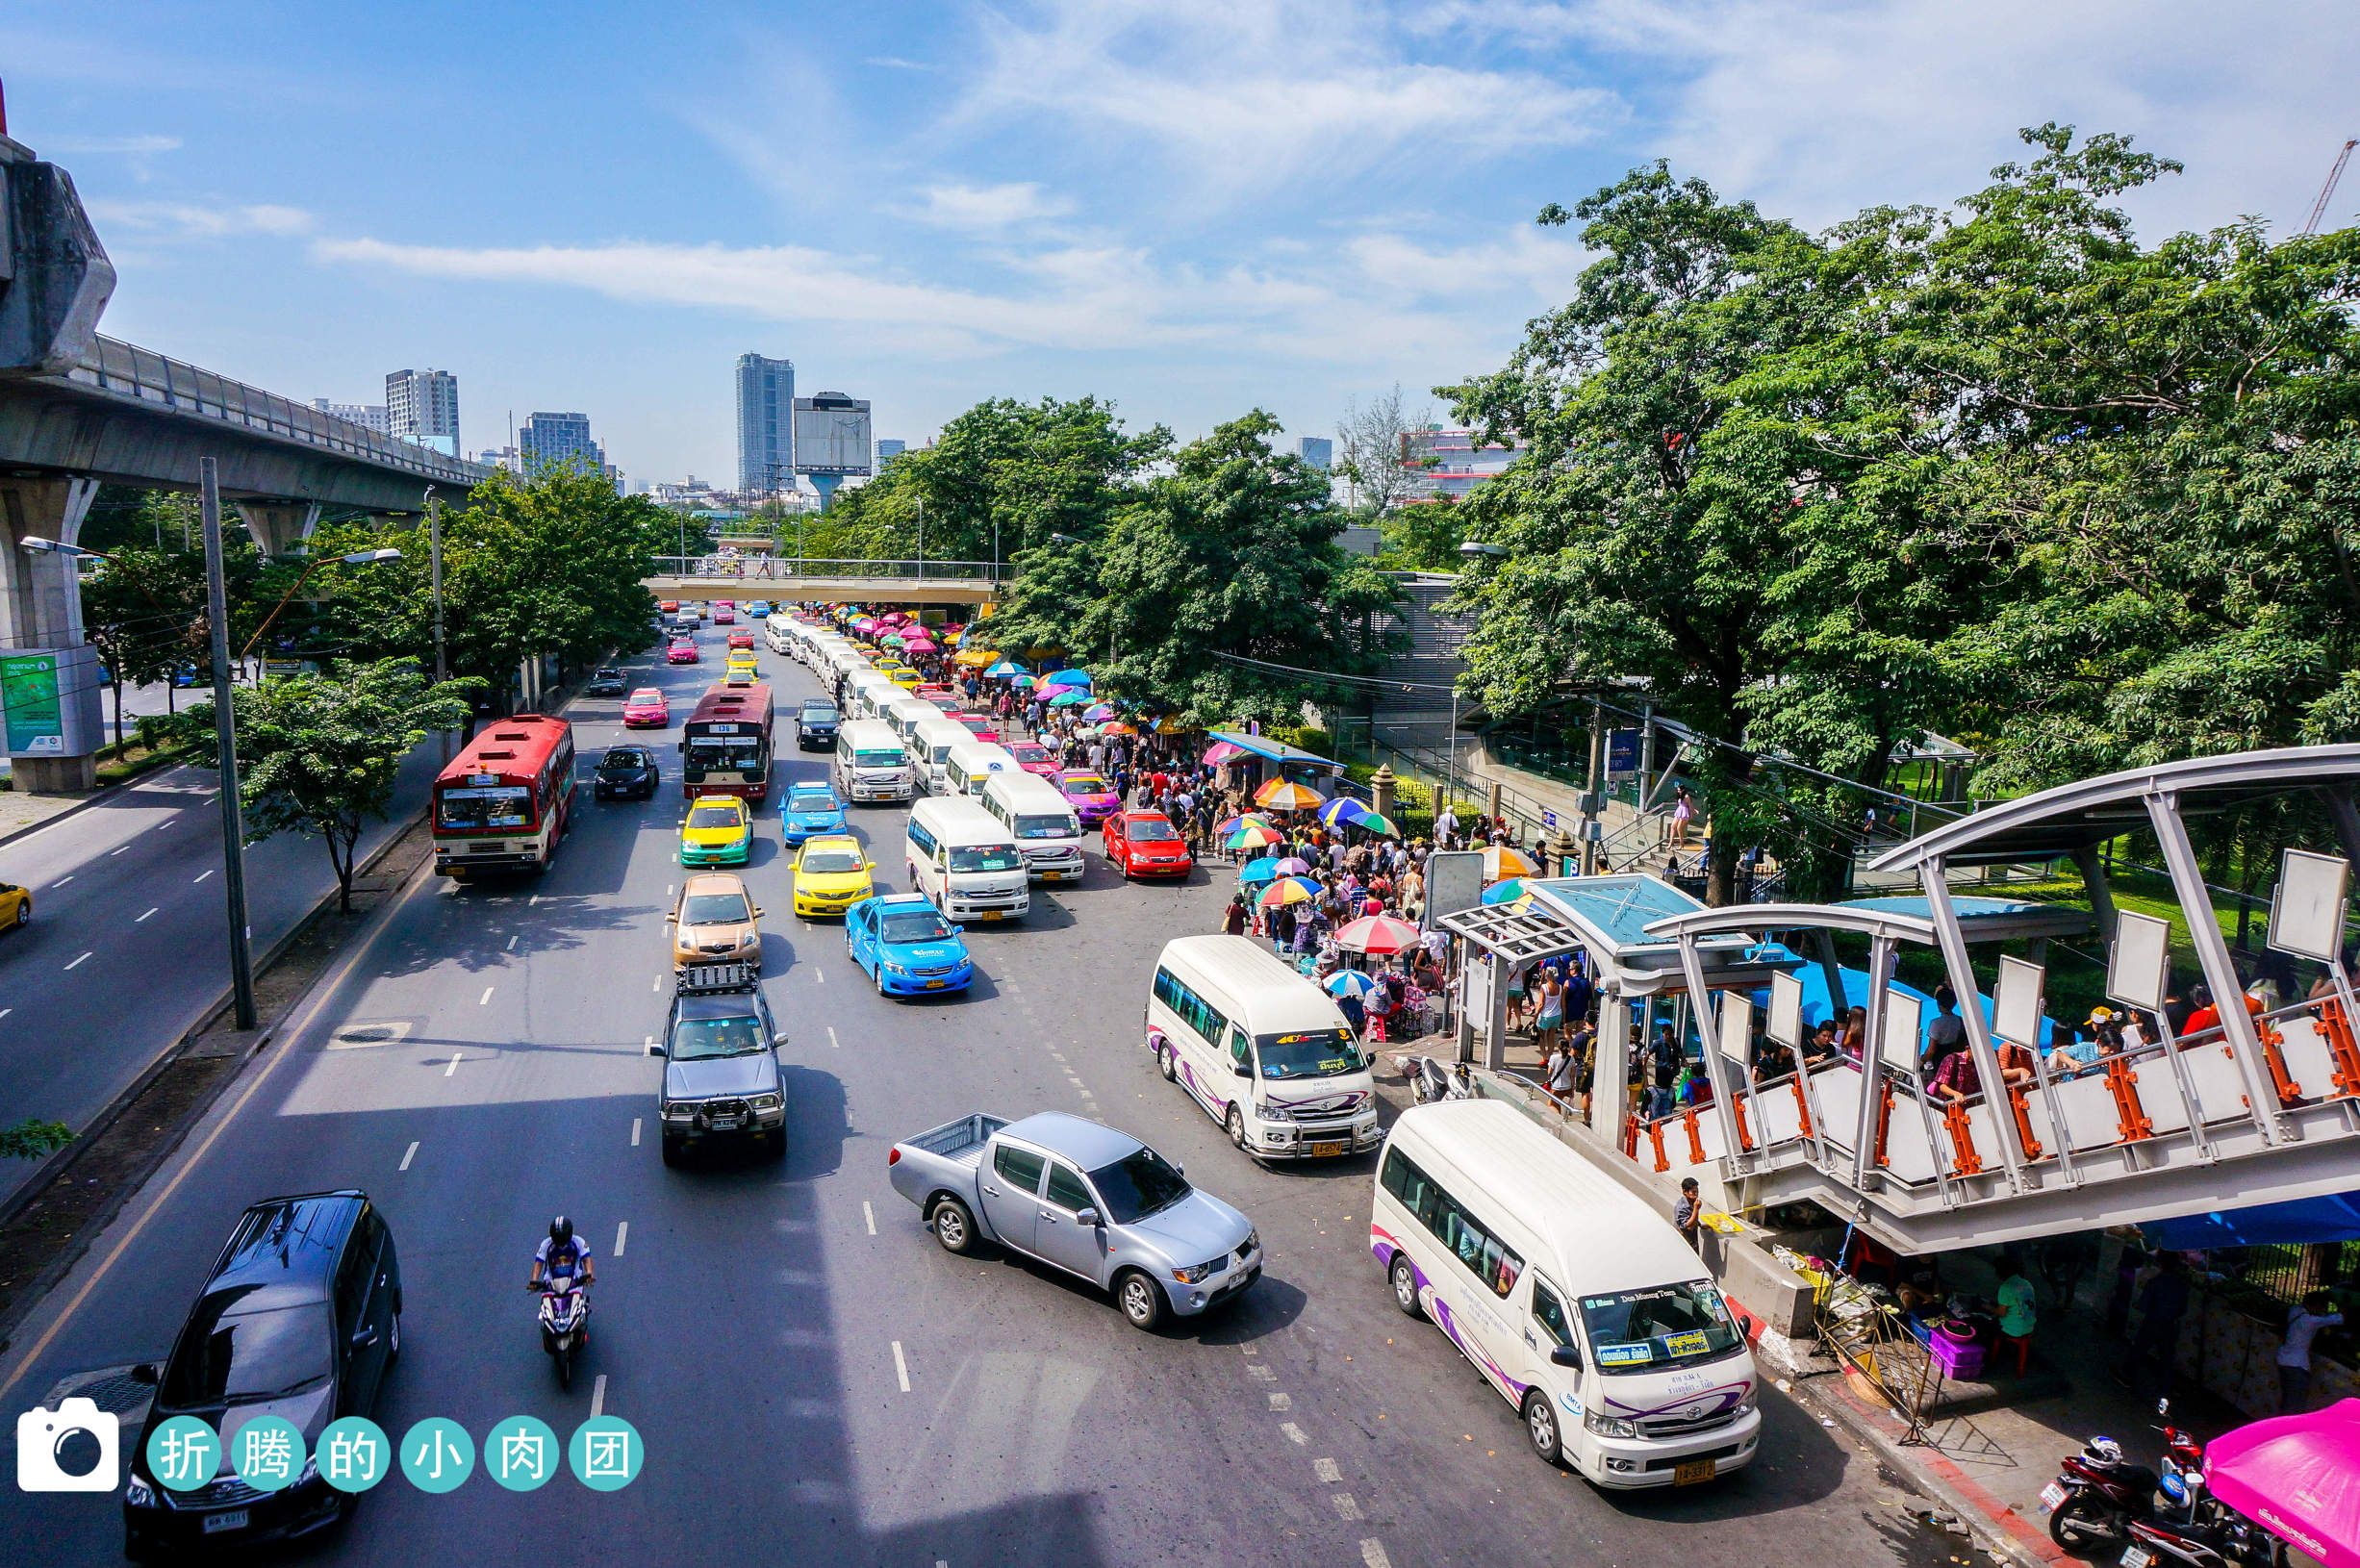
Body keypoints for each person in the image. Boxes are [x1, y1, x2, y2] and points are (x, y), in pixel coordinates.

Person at [2118, 1252, 2192, 1392]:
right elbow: (2183, 1309)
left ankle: (2127, 1375)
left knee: (2139, 1349)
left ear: (2160, 1264)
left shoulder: (2155, 1282)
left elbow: (2143, 1305)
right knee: (2166, 1358)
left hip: (2153, 1321)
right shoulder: (2182, 1285)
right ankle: (2166, 1388)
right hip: (2170, 1324)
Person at [2277, 1290, 2345, 1413]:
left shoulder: (2296, 1311)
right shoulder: (2309, 1321)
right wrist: (2341, 1303)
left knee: (2288, 1400)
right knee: (2294, 1405)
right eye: (2321, 1308)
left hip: (2284, 1360)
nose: (2322, 1311)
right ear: (2314, 1306)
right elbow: (2338, 1318)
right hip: (2297, 1364)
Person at [528, 1216, 596, 1339]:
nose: (560, 1241)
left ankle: (580, 1323)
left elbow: (587, 1259)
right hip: (551, 1283)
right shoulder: (546, 1244)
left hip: (574, 1281)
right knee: (546, 1309)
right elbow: (538, 1263)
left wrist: (589, 1274)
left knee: (579, 1306)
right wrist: (534, 1281)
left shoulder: (578, 1242)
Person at [1995, 1252, 2038, 1375]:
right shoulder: (2027, 1283)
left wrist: (1986, 1306)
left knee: (1988, 1325)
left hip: (2013, 1331)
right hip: (2030, 1327)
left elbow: (2001, 1313)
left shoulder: (2005, 1287)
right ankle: (2013, 1352)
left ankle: (1993, 1357)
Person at [1922, 984, 1967, 1076]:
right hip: (1952, 1060)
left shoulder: (1936, 1023)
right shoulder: (1959, 1020)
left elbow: (1931, 1050)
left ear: (1939, 1004)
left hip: (1937, 1062)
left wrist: (1921, 1060)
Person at [1673, 1177, 1703, 1252]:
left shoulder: (1692, 1202)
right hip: (1685, 1245)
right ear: (1685, 1192)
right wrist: (1696, 1209)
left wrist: (1699, 1225)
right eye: (1693, 1192)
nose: (1696, 1194)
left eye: (1697, 1192)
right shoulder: (1681, 1208)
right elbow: (1688, 1227)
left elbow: (1691, 1218)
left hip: (1693, 1242)